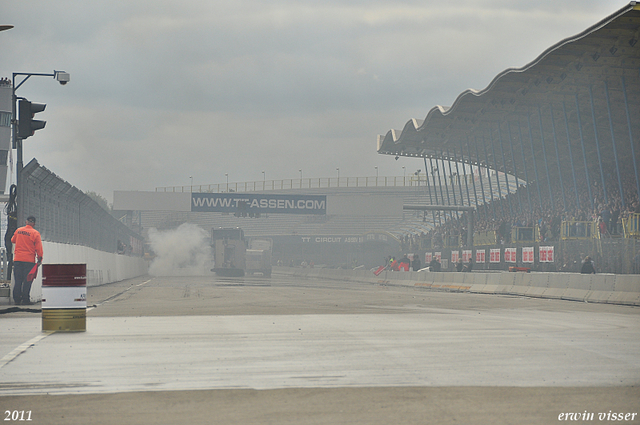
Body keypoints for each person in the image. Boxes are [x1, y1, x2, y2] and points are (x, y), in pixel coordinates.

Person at [11, 216, 43, 305]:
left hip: (18, 259)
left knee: (18, 280)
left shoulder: (18, 230)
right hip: (29, 261)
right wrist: (40, 259)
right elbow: (38, 248)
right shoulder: (35, 233)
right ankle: (25, 300)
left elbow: (13, 240)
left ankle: (17, 299)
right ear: (34, 223)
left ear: (26, 222)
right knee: (28, 280)